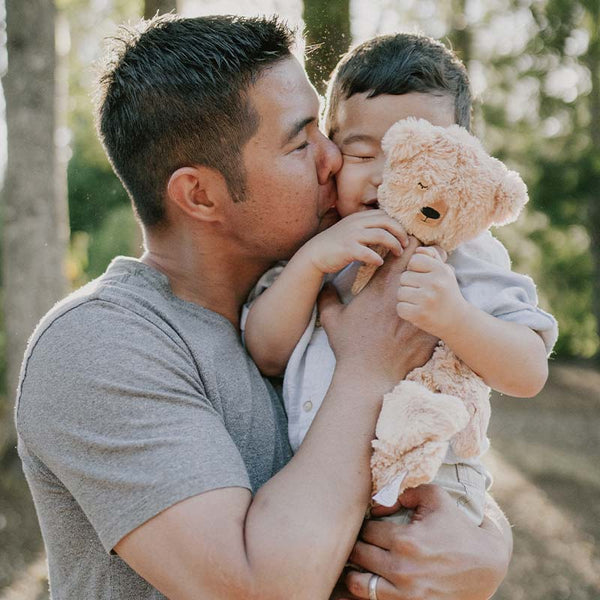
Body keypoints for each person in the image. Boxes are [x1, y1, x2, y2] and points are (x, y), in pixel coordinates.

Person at [16, 16, 513, 600]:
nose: (336, 159)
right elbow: (260, 587)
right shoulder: (98, 346)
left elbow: (417, 459)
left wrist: (486, 545)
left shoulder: (329, 294)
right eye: (302, 142)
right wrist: (371, 365)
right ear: (199, 194)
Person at [243, 32, 558, 532]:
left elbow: (527, 372)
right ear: (331, 151)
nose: (387, 180)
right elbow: (266, 351)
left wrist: (455, 318)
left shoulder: (466, 254)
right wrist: (308, 267)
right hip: (315, 476)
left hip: (430, 485)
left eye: (418, 159)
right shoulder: (320, 246)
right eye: (363, 155)